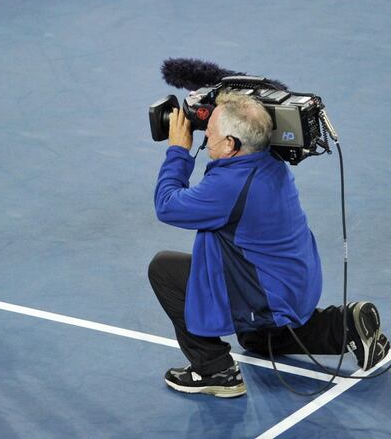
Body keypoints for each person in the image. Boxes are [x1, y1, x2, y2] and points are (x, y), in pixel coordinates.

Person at [148, 90, 388, 397]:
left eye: (212, 132)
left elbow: (166, 205)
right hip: (294, 286)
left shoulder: (228, 185)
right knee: (255, 339)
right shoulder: (271, 159)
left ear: (231, 145)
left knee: (164, 270)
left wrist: (179, 152)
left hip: (269, 296)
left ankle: (215, 370)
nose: (204, 132)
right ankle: (341, 326)